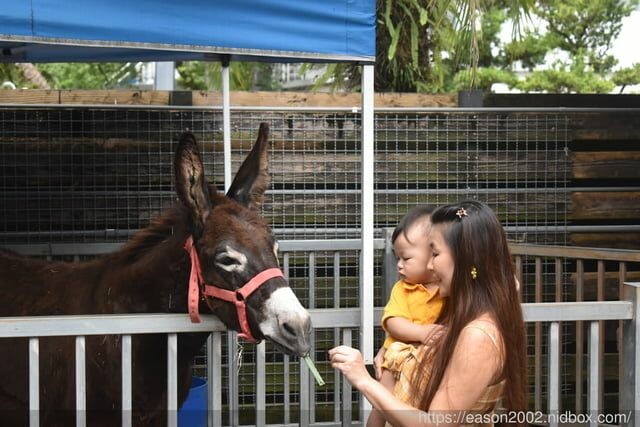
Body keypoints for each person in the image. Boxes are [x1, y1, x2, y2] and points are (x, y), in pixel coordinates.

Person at [329, 201, 527, 426]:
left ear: (465, 258)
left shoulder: (478, 336)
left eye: (435, 253)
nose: (430, 266)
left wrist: (364, 380)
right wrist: (388, 346)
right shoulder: (464, 311)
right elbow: (510, 282)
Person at [369, 205, 444, 427]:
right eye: (397, 258)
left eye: (406, 258)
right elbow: (392, 321)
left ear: (434, 255)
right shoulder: (403, 289)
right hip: (397, 361)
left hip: (432, 364)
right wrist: (421, 332)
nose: (399, 266)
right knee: (382, 403)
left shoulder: (450, 289)